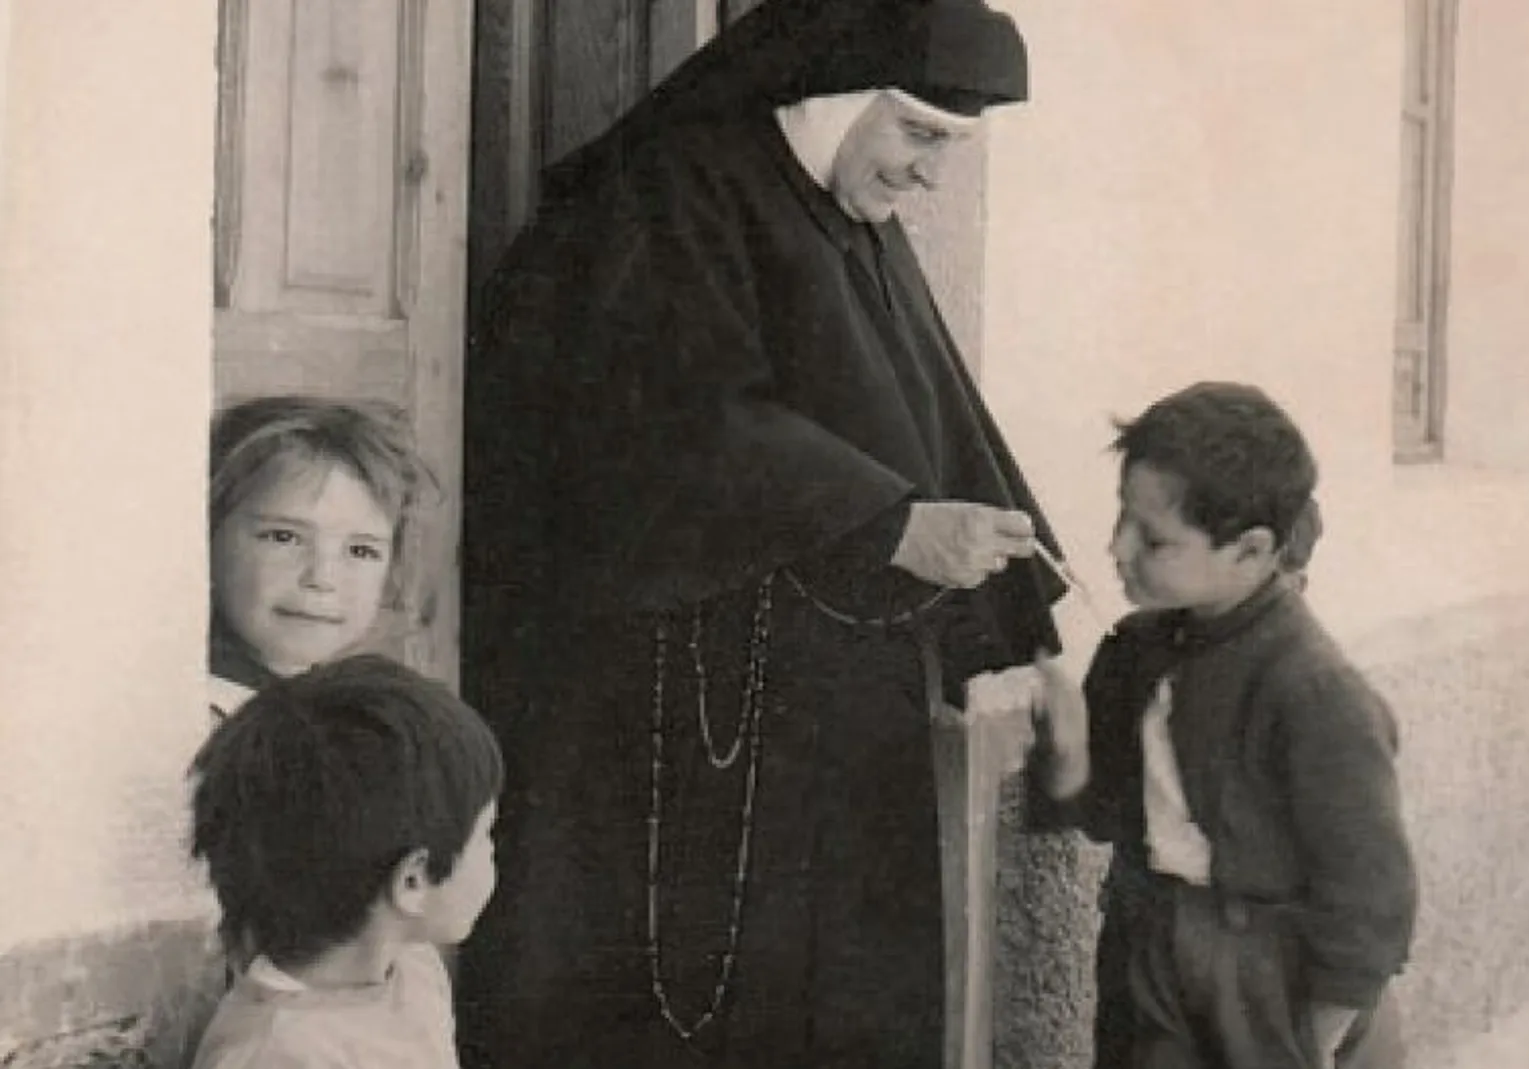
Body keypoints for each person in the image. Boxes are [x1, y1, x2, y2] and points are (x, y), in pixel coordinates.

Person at [452, 1, 1066, 1067]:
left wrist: (1012, 592)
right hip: (678, 710)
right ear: (837, 96)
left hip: (832, 714)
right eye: (920, 135)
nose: (929, 176)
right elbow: (659, 419)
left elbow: (936, 414)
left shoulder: (848, 214)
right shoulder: (669, 191)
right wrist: (887, 525)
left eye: (948, 150)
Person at [1027, 382, 1419, 1069]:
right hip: (1149, 944)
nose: (1116, 548)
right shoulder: (1134, 652)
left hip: (1272, 971)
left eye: (1154, 539)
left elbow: (1371, 890)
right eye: (1122, 518)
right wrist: (1067, 755)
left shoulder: (1313, 690)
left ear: (1251, 550)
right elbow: (1107, 812)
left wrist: (1314, 1035)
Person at [186, 654, 503, 1069]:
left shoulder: (413, 969)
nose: (494, 852)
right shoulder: (275, 1055)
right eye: (487, 835)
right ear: (412, 881)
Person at [205, 397, 432, 719]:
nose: (322, 578)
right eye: (284, 537)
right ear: (206, 536)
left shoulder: (338, 715)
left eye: (361, 551)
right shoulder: (198, 711)